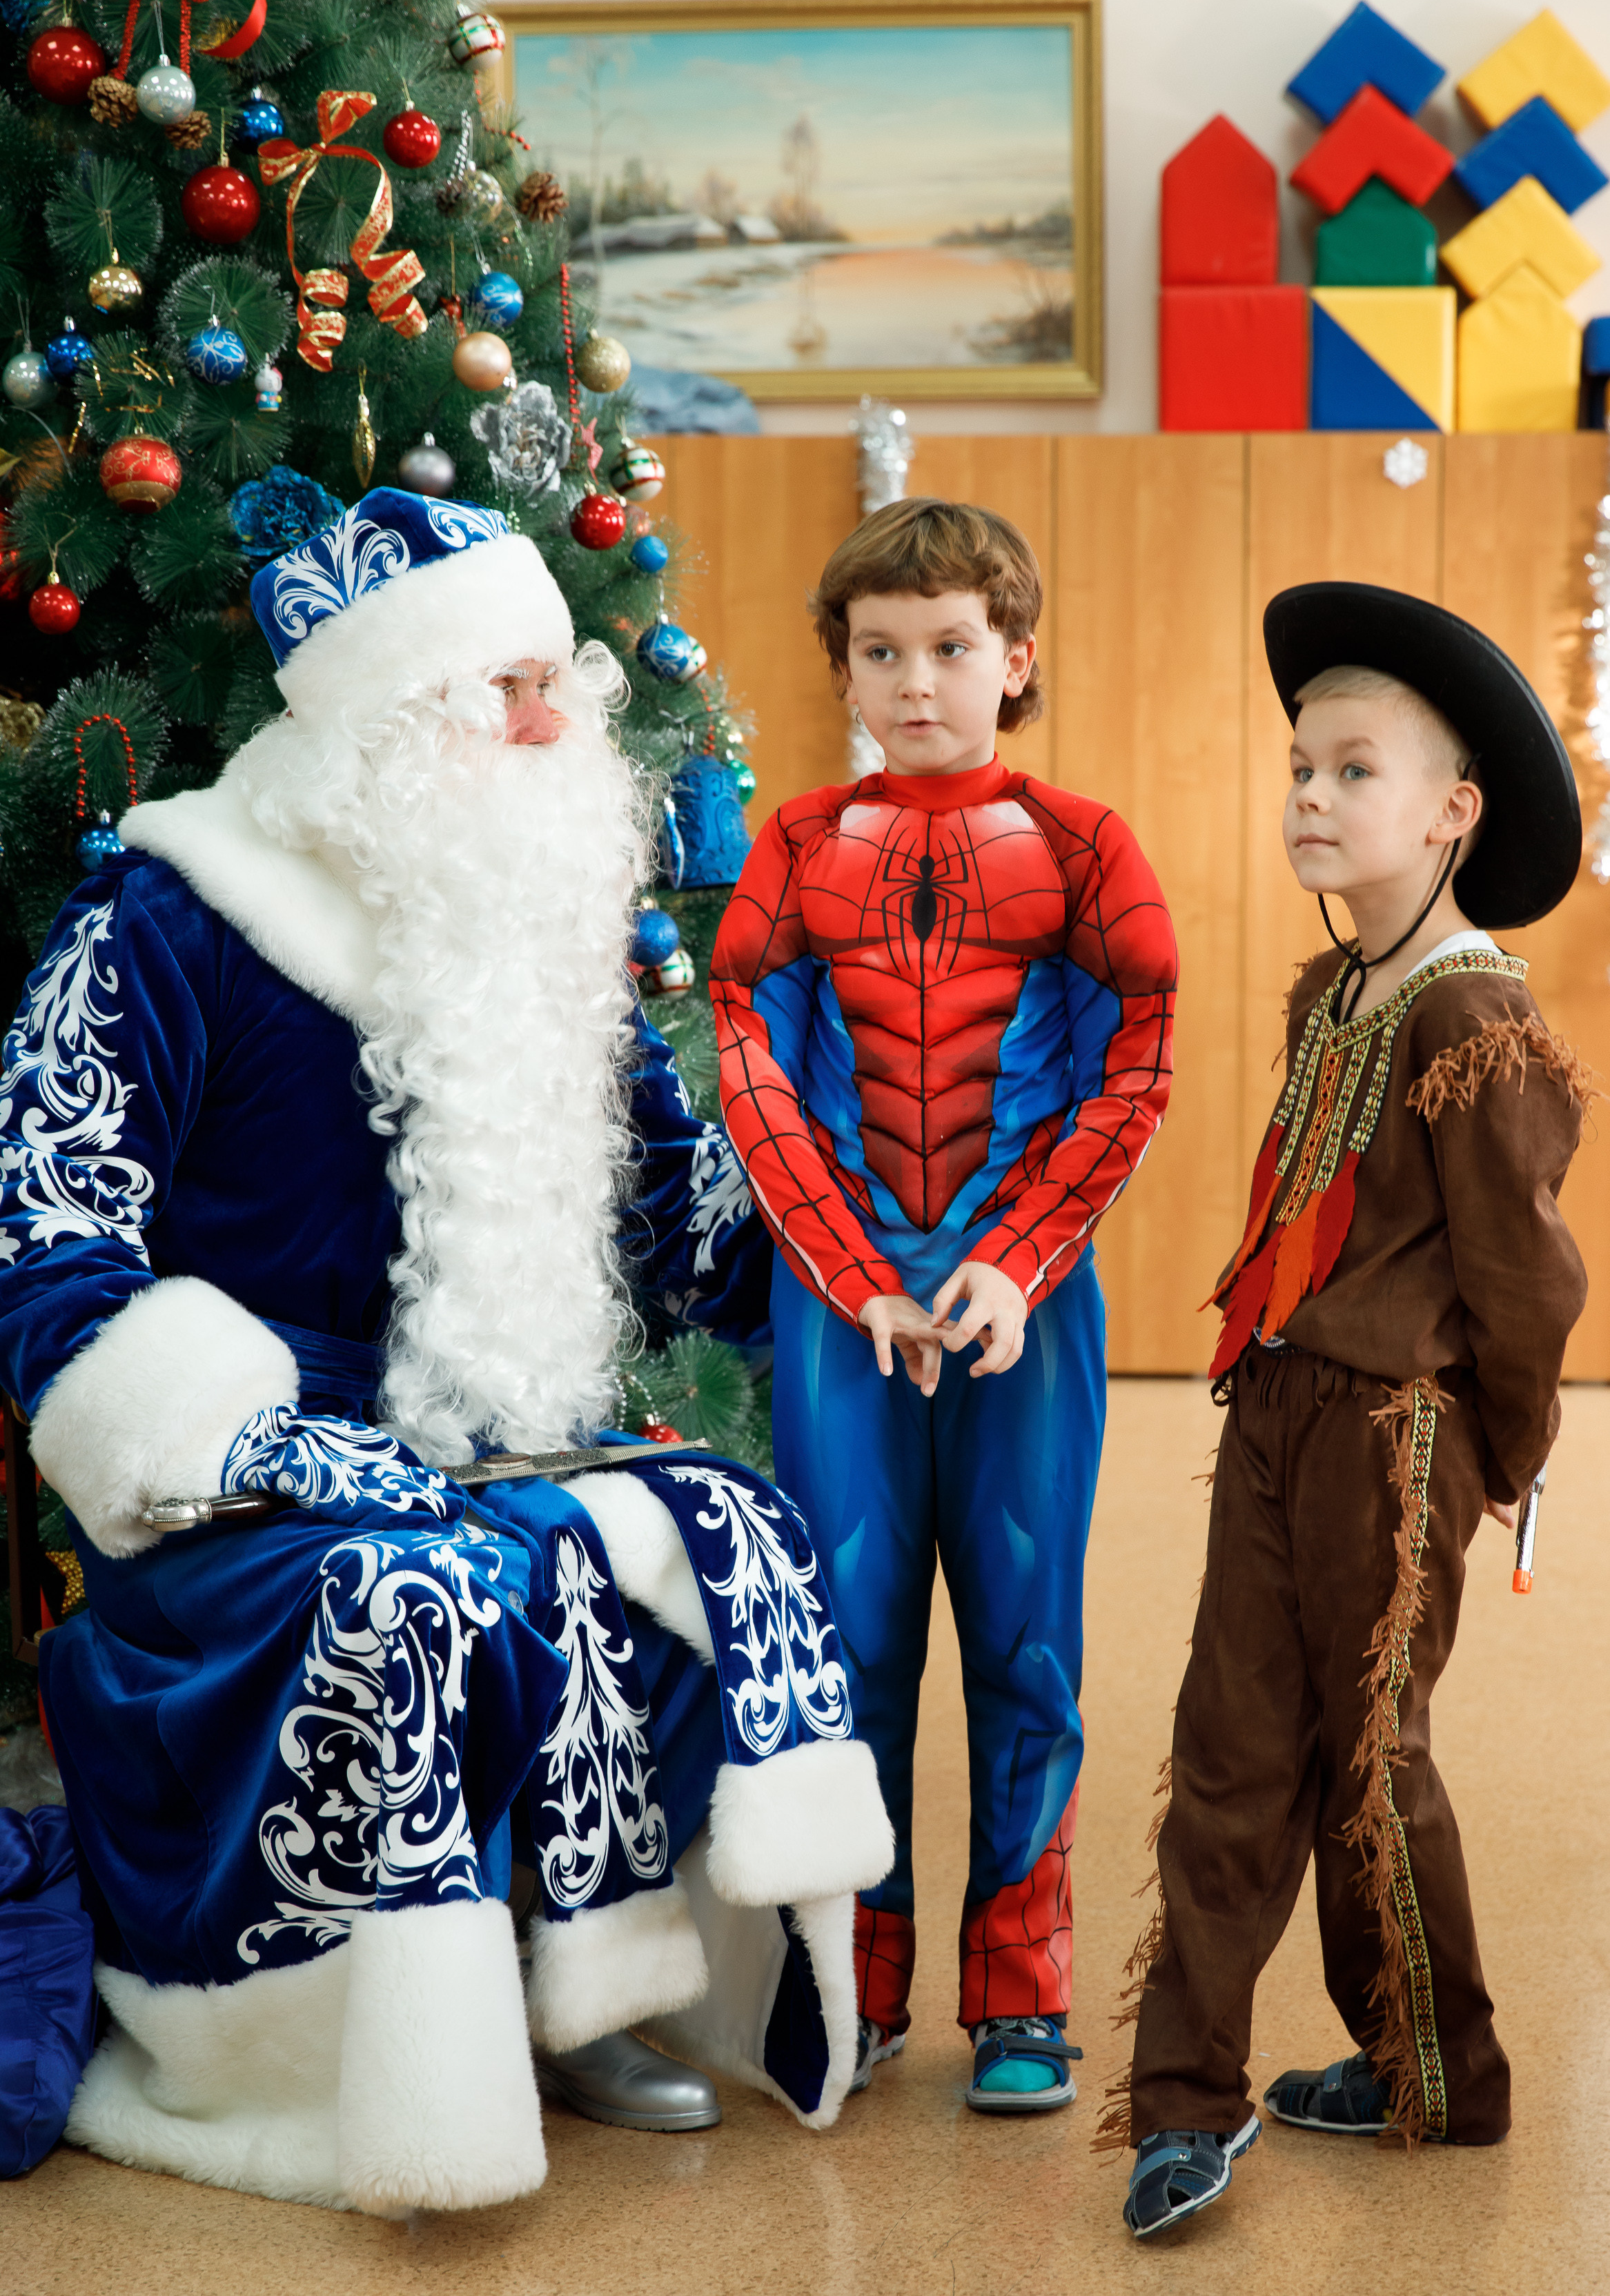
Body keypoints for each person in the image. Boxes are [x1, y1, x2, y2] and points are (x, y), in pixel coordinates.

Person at [0, 491, 893, 2213]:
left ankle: (595, 1989)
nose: (562, 723)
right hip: (234, 1470)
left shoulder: (537, 930)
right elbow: (48, 1238)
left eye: (562, 679)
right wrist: (241, 1441)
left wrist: (872, 1244)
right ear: (387, 715)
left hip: (496, 1427)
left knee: (712, 1524)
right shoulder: (173, 918)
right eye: (513, 686)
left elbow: (677, 1224)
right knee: (420, 1589)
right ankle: (373, 2049)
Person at [1108, 582, 1589, 2239]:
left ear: (1453, 812)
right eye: (1299, 766)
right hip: (1280, 1410)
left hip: (1401, 1438)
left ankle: (1437, 2073)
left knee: (1365, 1764)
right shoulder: (1335, 998)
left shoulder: (1475, 1013)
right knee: (1228, 1746)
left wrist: (1507, 1455)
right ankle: (1184, 2102)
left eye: (1353, 770)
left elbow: (1527, 1276)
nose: (1309, 796)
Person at [710, 500, 1177, 2113]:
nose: (919, 681)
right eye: (883, 652)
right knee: (846, 1651)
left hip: (1019, 1308)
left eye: (954, 648)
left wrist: (1017, 1257)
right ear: (845, 666)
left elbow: (1139, 1065)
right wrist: (853, 1276)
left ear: (1015, 659)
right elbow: (753, 1069)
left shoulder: (1088, 843)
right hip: (846, 1311)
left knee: (1028, 1645)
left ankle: (1023, 1991)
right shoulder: (789, 843)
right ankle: (858, 1974)